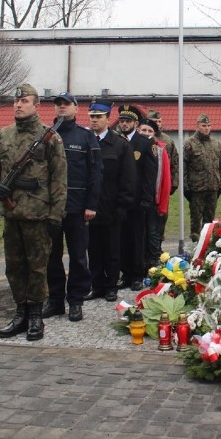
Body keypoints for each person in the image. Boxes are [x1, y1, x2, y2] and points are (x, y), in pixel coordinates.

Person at [0, 83, 67, 341]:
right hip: (11, 215)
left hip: (38, 216)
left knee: (37, 268)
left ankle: (36, 317)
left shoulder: (50, 137)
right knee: (14, 267)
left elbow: (59, 180)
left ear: (36, 105)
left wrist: (55, 215)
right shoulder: (3, 135)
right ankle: (20, 313)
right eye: (16, 101)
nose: (18, 105)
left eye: (24, 101)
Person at [43, 93, 103, 323]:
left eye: (66, 105)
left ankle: (76, 301)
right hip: (51, 208)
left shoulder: (86, 137)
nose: (61, 109)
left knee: (78, 257)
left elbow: (96, 173)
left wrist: (91, 204)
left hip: (78, 208)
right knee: (52, 257)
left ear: (76, 109)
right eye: (58, 105)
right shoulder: (46, 136)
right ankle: (56, 301)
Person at [85, 100, 136, 302]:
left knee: (113, 250)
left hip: (112, 206)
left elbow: (128, 178)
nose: (94, 120)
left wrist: (123, 205)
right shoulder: (86, 142)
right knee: (93, 249)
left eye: (98, 117)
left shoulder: (120, 145)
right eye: (92, 116)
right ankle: (96, 285)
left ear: (107, 119)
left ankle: (111, 286)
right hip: (90, 206)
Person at [117, 104, 157, 290]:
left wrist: (146, 199)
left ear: (135, 123)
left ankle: (137, 274)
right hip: (118, 201)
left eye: (128, 121)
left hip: (137, 201)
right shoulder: (115, 141)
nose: (124, 124)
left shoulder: (145, 143)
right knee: (120, 238)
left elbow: (150, 175)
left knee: (137, 238)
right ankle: (124, 273)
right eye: (122, 121)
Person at [184, 113, 221, 242]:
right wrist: (186, 187)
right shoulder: (189, 144)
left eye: (209, 125)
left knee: (210, 220)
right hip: (196, 189)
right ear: (197, 126)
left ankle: (208, 243)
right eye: (204, 125)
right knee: (196, 220)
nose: (207, 128)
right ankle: (196, 244)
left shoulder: (216, 145)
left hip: (213, 188)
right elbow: (183, 166)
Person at [138, 117, 172, 270]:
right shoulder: (131, 146)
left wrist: (163, 204)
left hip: (153, 199)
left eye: (150, 131)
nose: (146, 133)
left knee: (153, 232)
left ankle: (152, 262)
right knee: (138, 233)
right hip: (134, 198)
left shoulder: (160, 149)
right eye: (143, 130)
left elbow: (165, 178)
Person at [147, 110, 179, 257]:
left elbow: (174, 163)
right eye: (154, 121)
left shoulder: (167, 141)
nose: (157, 124)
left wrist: (173, 184)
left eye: (159, 121)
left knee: (161, 218)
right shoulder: (143, 137)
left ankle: (158, 247)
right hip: (147, 188)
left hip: (162, 188)